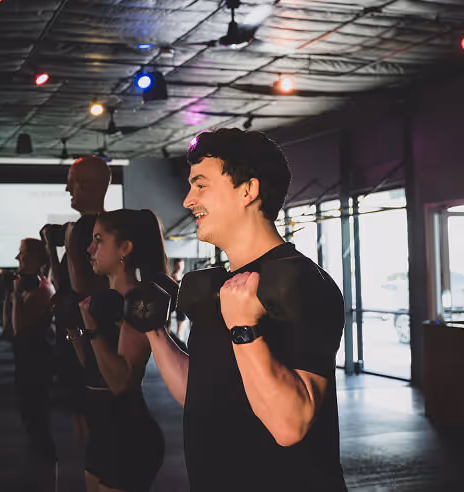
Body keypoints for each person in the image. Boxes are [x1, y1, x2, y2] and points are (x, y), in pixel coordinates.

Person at [143, 129, 347, 491]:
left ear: (247, 191)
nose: (188, 200)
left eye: (200, 185)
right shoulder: (221, 286)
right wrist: (154, 330)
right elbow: (199, 389)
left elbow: (290, 426)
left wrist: (244, 329)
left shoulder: (305, 282)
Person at [72, 209, 166, 492]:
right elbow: (93, 368)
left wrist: (93, 328)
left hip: (128, 437)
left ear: (125, 248)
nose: (90, 248)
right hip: (101, 434)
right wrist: (75, 332)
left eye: (99, 240)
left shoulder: (138, 303)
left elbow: (120, 382)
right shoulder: (103, 301)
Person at [41, 156, 112, 448]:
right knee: (80, 413)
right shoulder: (83, 228)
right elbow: (64, 285)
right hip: (76, 335)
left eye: (73, 181)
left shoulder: (98, 230)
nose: (68, 189)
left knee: (96, 414)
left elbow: (82, 286)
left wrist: (67, 241)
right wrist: (50, 247)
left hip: (90, 337)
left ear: (87, 184)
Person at [5, 238, 58, 491]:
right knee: (31, 422)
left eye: (23, 254)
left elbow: (19, 327)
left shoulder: (43, 290)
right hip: (26, 363)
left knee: (38, 424)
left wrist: (16, 295)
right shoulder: (30, 289)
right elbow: (7, 326)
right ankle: (41, 478)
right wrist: (12, 295)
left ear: (38, 260)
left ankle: (48, 482)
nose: (18, 258)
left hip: (37, 366)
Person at [169, 258, 189, 343]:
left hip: (181, 301)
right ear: (175, 266)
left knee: (182, 315)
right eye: (178, 265)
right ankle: (176, 335)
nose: (180, 267)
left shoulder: (183, 276)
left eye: (181, 265)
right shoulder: (173, 276)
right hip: (173, 300)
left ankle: (179, 334)